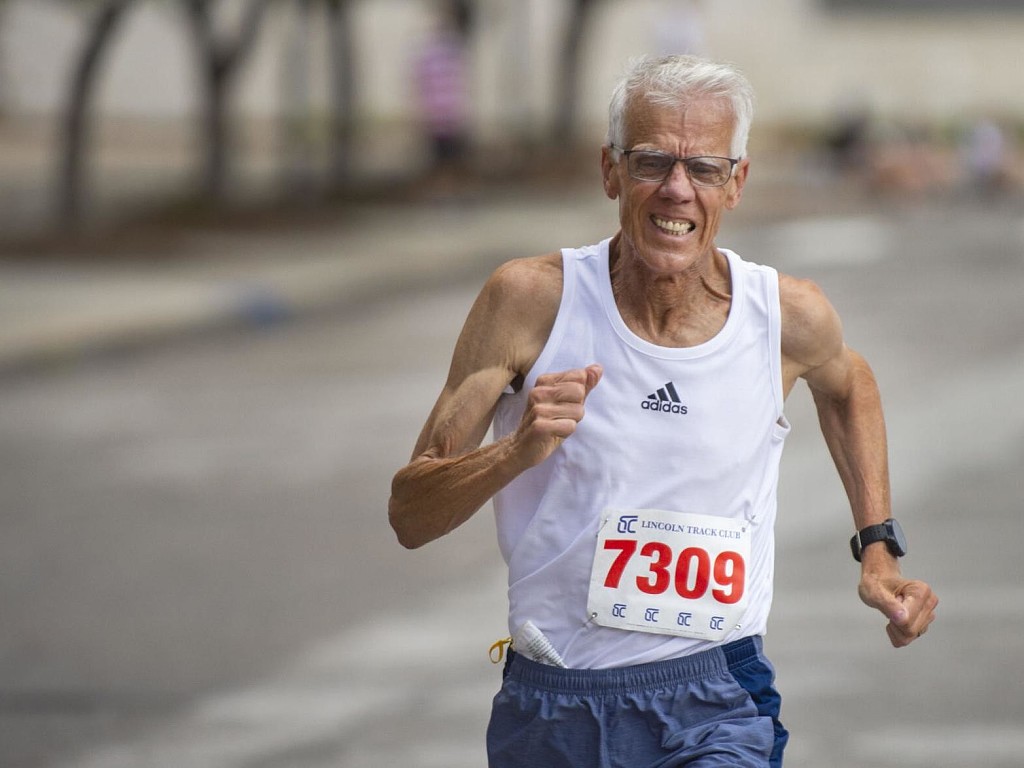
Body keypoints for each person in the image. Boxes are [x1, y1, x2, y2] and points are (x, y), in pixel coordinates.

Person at [389, 54, 938, 767]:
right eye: (652, 162)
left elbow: (849, 385)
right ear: (611, 171)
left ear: (736, 183)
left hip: (716, 699)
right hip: (552, 703)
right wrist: (515, 450)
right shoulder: (530, 302)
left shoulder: (783, 316)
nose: (676, 190)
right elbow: (410, 514)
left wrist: (878, 548)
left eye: (704, 169)